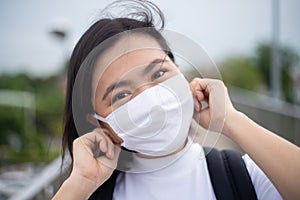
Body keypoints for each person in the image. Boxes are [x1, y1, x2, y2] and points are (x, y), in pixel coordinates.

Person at [53, 0, 300, 199]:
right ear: (98, 122)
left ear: (180, 74)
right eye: (121, 94)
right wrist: (82, 184)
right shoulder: (89, 193)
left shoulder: (242, 176)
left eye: (159, 73)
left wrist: (230, 121)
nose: (149, 97)